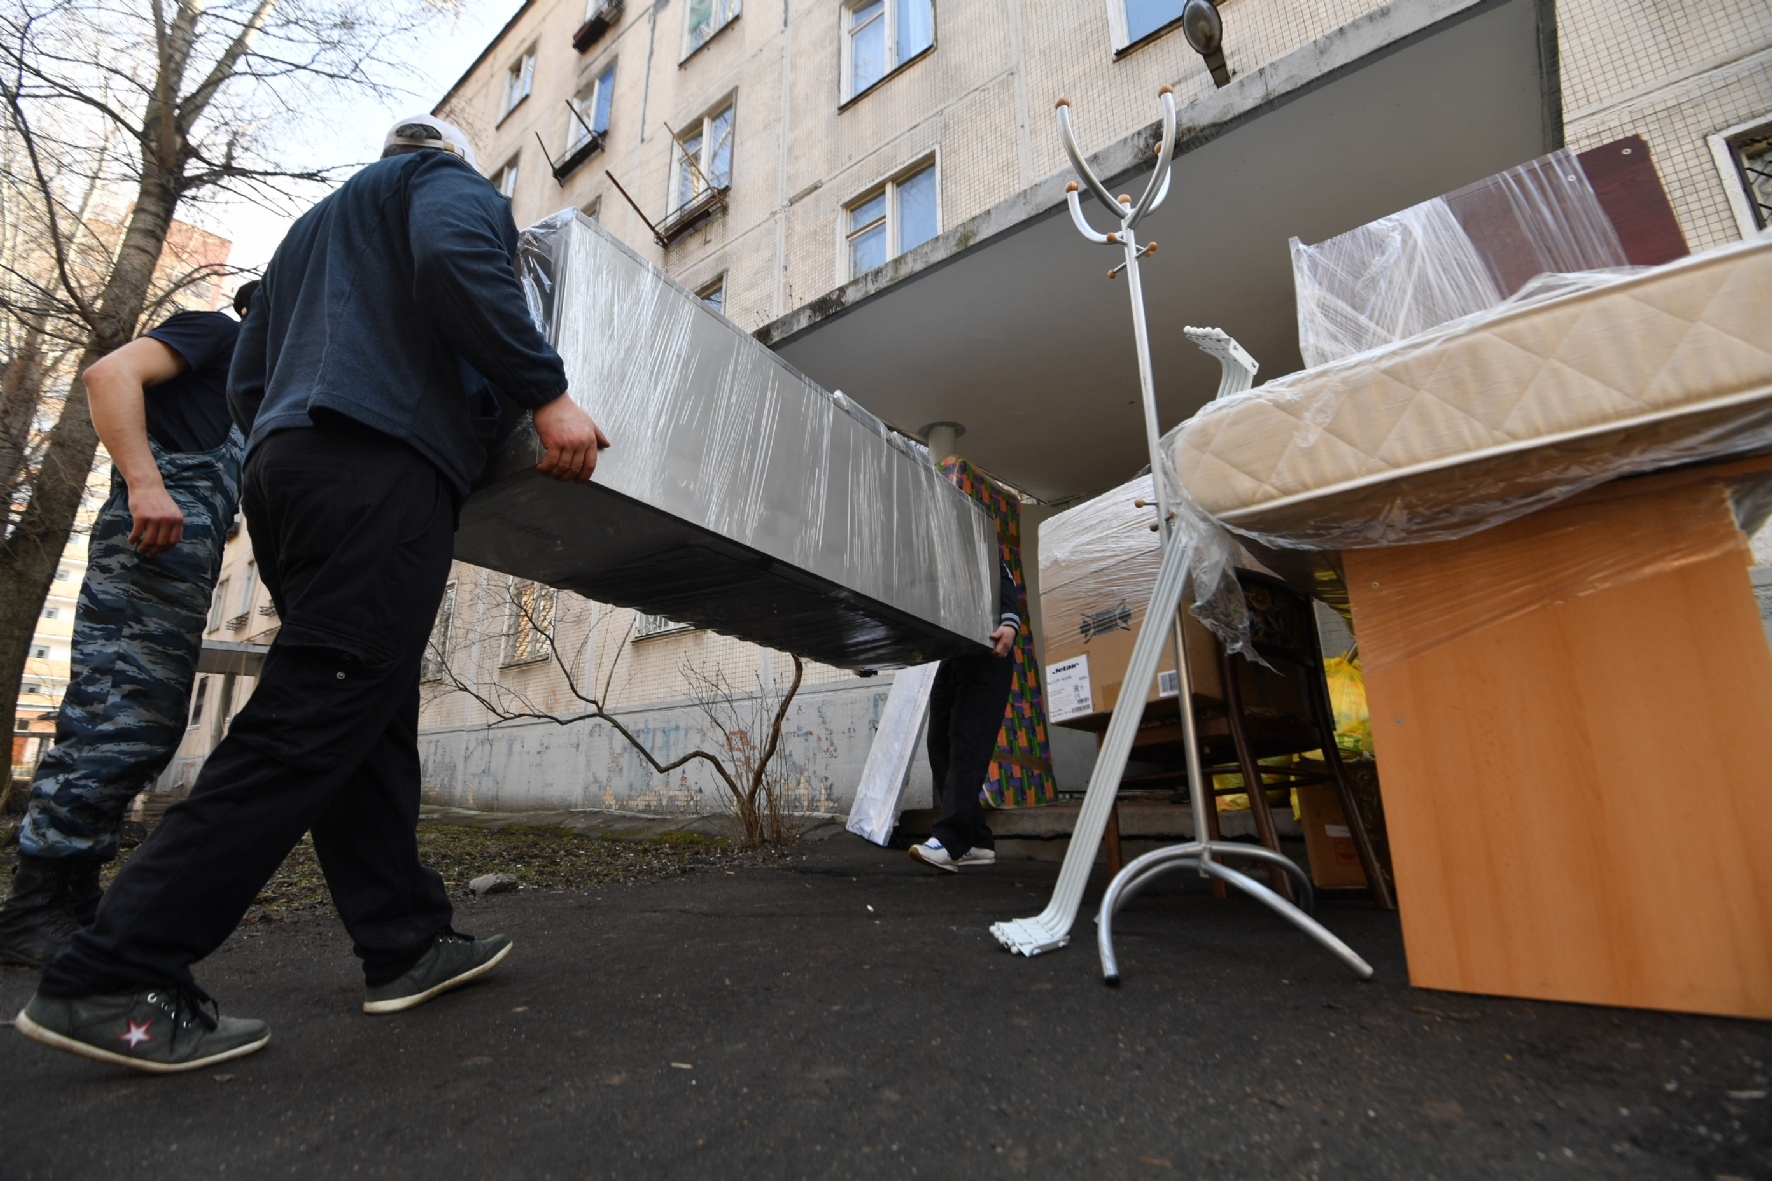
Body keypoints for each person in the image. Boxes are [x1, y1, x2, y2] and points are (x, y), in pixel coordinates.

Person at [15, 115, 609, 1073]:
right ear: (450, 155)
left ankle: (404, 941)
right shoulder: (446, 187)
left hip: (289, 474)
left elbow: (249, 382)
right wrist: (542, 390)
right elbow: (458, 258)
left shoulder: (308, 236)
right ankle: (114, 971)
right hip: (381, 465)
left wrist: (304, 443)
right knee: (319, 704)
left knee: (362, 711)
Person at [0, 282, 259, 968]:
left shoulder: (248, 398)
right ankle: (33, 907)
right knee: (117, 720)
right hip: (143, 562)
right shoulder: (215, 335)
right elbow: (109, 373)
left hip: (177, 581)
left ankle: (71, 896)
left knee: (141, 726)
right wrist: (144, 482)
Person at [909, 559, 1021, 872]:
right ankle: (978, 841)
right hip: (952, 656)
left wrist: (1010, 624)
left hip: (986, 652)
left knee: (966, 743)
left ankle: (950, 838)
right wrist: (874, 655)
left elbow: (1004, 580)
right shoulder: (927, 560)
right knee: (938, 744)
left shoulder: (976, 542)